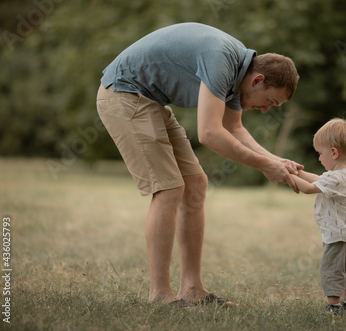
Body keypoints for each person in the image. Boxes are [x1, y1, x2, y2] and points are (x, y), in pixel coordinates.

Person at [96, 22, 302, 307]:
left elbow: (234, 128)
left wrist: (275, 161)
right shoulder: (222, 61)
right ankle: (159, 296)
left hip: (150, 101)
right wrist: (264, 166)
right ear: (258, 81)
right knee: (169, 189)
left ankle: (192, 288)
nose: (266, 110)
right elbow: (209, 133)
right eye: (270, 101)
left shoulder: (237, 73)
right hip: (124, 93)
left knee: (195, 185)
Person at [291, 118, 346, 314]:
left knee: (332, 268)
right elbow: (319, 180)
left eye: (320, 153)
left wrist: (287, 176)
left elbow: (309, 189)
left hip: (338, 234)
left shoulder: (336, 178)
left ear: (334, 152)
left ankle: (333, 306)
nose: (318, 158)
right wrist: (298, 172)